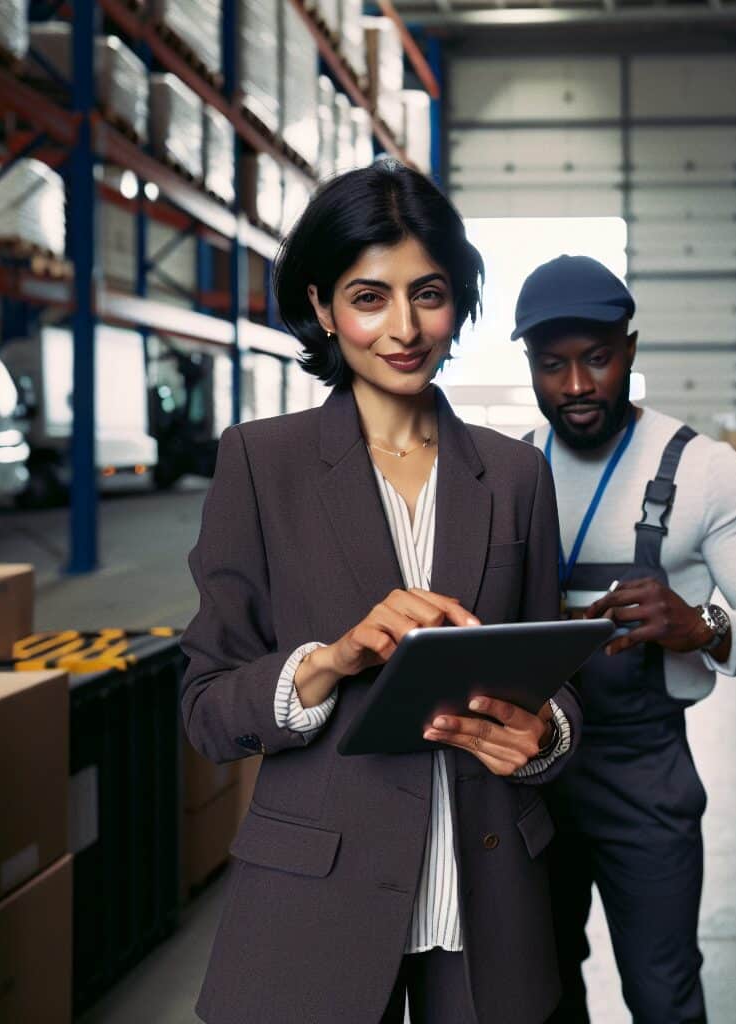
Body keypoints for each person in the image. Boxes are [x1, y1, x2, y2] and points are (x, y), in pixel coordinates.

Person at [180, 162, 583, 1024]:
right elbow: (207, 709)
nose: (404, 329)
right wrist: (328, 663)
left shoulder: (516, 474)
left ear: (458, 302)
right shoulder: (262, 463)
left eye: (428, 294)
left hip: (485, 891)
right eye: (370, 298)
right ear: (323, 308)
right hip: (319, 894)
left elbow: (553, 681)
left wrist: (544, 736)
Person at [515, 255, 736, 1023]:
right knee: (539, 989)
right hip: (528, 767)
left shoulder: (705, 472)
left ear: (631, 350)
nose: (576, 385)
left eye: (597, 358)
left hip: (642, 775)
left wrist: (702, 626)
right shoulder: (510, 471)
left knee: (662, 990)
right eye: (552, 365)